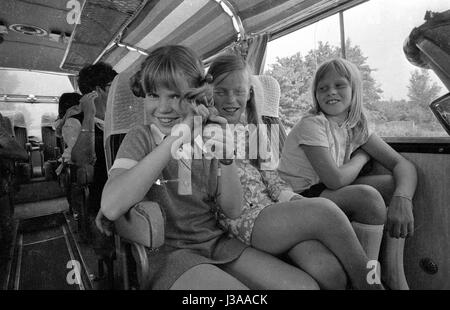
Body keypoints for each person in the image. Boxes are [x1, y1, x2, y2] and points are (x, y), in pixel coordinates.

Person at [97, 45, 328, 290]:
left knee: (305, 287)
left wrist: (227, 159)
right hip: (169, 254)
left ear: (197, 97)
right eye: (154, 95)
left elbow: (233, 209)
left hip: (218, 243)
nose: (163, 107)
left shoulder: (210, 135)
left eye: (175, 96)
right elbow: (111, 207)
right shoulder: (140, 137)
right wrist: (176, 139)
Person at [206, 54, 383, 290]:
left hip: (272, 212)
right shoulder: (204, 134)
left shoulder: (255, 132)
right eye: (220, 92)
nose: (230, 99)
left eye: (238, 91)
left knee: (331, 274)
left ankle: (365, 280)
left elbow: (272, 179)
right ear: (209, 94)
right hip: (242, 221)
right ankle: (371, 284)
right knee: (325, 210)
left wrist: (292, 200)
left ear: (249, 94)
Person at [277, 58, 417, 290]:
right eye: (322, 88)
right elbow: (335, 179)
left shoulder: (356, 126)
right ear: (315, 95)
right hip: (298, 196)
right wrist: (361, 157)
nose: (330, 91)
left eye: (339, 85)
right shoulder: (312, 124)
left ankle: (391, 270)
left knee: (393, 185)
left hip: (324, 190)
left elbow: (402, 165)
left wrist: (403, 199)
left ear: (354, 89)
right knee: (368, 197)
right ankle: (368, 280)